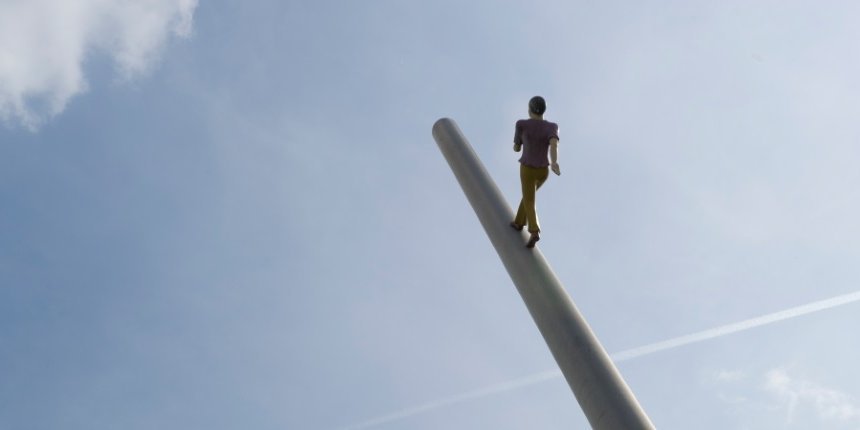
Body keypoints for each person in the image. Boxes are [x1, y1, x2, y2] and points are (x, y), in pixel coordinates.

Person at [510, 96, 560, 248]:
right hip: (543, 171)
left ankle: (534, 230)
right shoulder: (552, 127)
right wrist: (554, 162)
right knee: (528, 196)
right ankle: (519, 222)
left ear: (529, 109)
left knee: (529, 200)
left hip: (527, 168)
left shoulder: (522, 124)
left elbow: (517, 147)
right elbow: (553, 146)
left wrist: (518, 145)